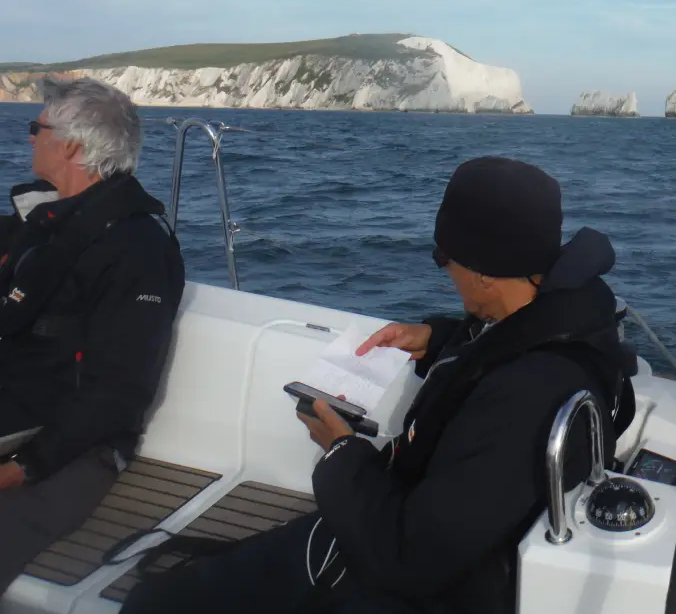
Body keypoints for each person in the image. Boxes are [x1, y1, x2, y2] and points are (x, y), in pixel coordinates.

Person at [121, 155, 635, 614]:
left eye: (445, 259)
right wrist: (437, 339)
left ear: (482, 272)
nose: (445, 271)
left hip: (422, 579)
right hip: (433, 532)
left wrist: (341, 451)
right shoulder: (566, 321)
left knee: (153, 606)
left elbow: (411, 557)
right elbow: (509, 339)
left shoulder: (524, 396)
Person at [0, 77, 185, 591]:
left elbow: (117, 393)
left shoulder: (137, 249)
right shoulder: (51, 223)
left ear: (72, 147)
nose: (29, 137)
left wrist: (19, 470)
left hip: (61, 443)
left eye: (36, 128)